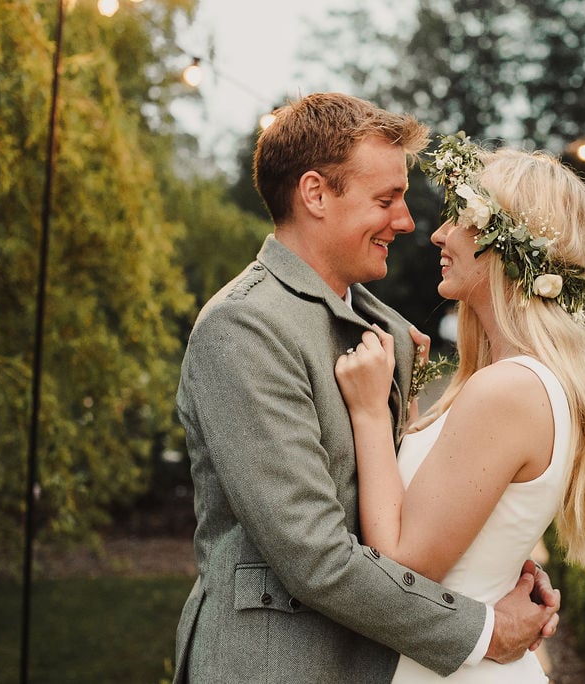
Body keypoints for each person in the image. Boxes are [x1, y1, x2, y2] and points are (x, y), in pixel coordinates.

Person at [172, 94, 559, 683]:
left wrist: (491, 558)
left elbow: (396, 502)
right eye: (386, 200)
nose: (406, 223)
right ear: (316, 194)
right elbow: (316, 557)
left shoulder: (387, 330)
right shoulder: (243, 328)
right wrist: (481, 627)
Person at [335, 135, 585, 682]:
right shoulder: (517, 380)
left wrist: (370, 413)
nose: (439, 234)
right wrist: (408, 403)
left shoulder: (507, 390)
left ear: (509, 245)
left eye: (461, 219)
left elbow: (403, 568)